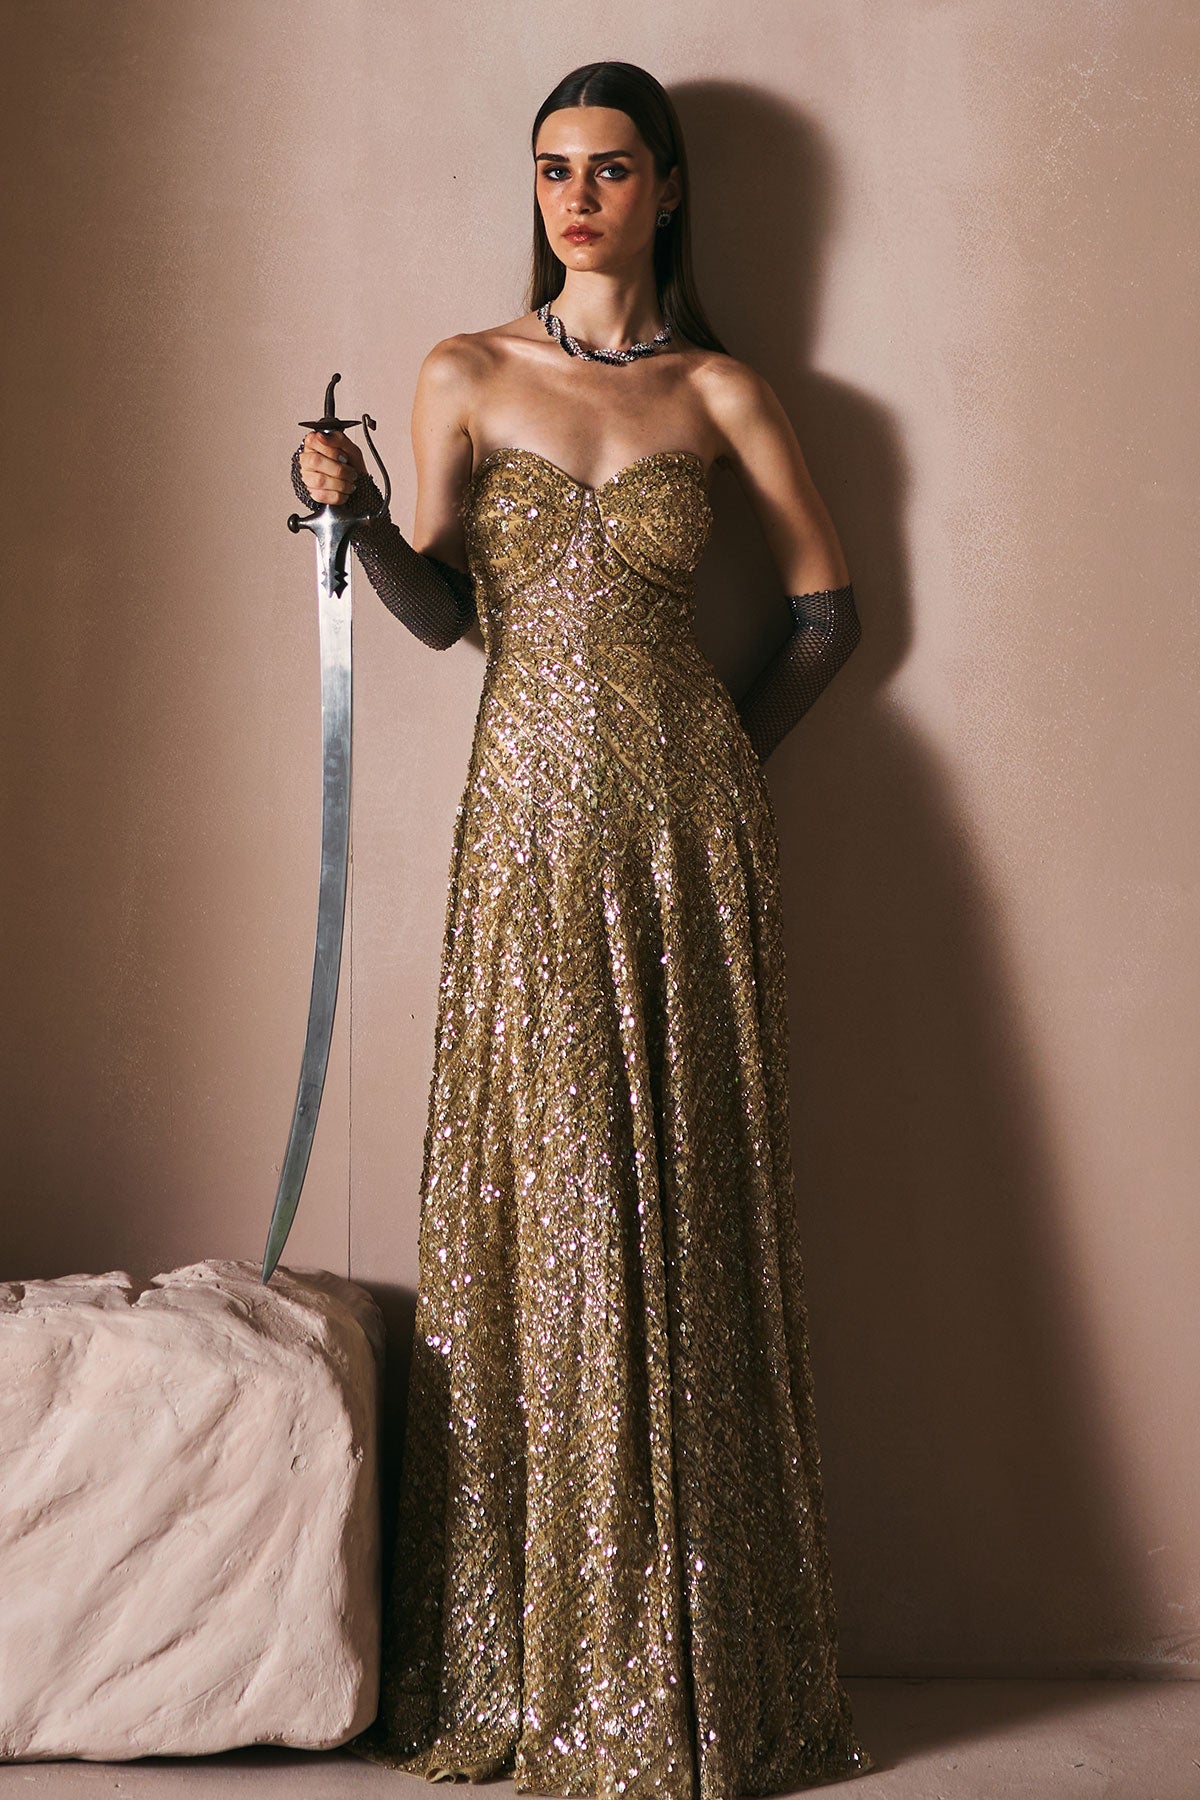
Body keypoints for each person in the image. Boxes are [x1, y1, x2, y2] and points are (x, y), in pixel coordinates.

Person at [292, 58, 872, 1797]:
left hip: (684, 836)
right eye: (555, 169)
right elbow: (442, 613)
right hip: (530, 832)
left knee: (683, 1195)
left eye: (613, 168)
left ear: (668, 188)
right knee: (546, 1200)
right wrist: (352, 516)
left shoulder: (723, 389)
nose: (579, 197)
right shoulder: (465, 370)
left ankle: (693, 1654)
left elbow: (830, 618)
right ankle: (549, 1653)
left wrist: (724, 771)